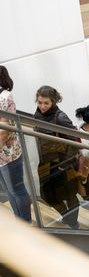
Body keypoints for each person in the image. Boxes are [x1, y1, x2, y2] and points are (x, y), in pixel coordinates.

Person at [34, 85, 80, 229]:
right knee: (46, 194)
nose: (42, 106)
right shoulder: (37, 114)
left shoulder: (60, 117)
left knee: (70, 194)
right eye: (40, 102)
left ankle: (73, 222)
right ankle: (67, 215)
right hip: (46, 162)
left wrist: (65, 163)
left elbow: (76, 139)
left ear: (53, 102)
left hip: (63, 163)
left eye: (46, 103)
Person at [0, 66, 31, 222]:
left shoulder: (5, 97)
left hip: (8, 154)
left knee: (17, 190)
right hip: (2, 155)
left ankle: (25, 222)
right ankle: (19, 221)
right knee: (9, 190)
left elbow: (5, 129)